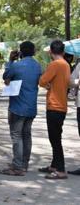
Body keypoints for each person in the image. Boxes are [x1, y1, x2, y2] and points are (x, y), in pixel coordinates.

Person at [0, 41, 41, 177]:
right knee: (27, 135)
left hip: (17, 106)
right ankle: (24, 164)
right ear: (33, 52)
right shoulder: (37, 66)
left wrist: (10, 61)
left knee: (17, 137)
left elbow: (6, 77)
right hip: (31, 107)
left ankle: (17, 167)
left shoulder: (17, 66)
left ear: (20, 52)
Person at [38, 40, 70, 180]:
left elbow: (42, 81)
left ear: (51, 51)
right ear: (63, 52)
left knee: (55, 139)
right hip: (62, 104)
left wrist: (47, 84)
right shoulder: (66, 64)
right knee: (56, 136)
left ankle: (61, 169)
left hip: (54, 105)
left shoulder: (54, 64)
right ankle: (54, 165)